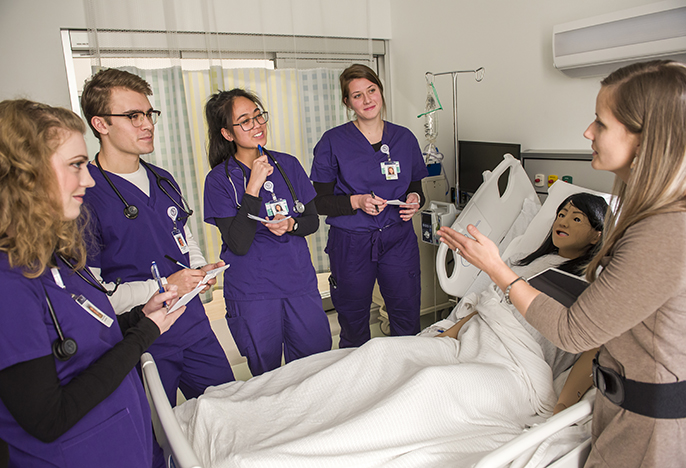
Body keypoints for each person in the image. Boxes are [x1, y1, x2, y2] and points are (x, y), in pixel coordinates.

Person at [172, 195, 607, 467]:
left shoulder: (594, 282)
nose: (563, 220)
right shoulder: (527, 264)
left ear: (597, 236)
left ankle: (271, 459)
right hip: (470, 341)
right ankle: (238, 418)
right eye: (562, 212)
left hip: (516, 368)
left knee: (429, 384)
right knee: (376, 354)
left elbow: (589, 347)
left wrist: (562, 408)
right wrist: (450, 331)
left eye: (577, 217)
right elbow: (490, 305)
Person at [438, 60, 686, 467]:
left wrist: (498, 268)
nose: (588, 132)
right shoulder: (649, 221)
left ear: (643, 141)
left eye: (601, 123)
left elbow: (574, 332)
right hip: (620, 405)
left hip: (648, 426)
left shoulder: (664, 231)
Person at [0, 99, 185, 467]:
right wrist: (143, 334)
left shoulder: (59, 255)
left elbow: (90, 335)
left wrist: (137, 318)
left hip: (125, 440)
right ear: (26, 175)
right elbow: (48, 419)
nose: (88, 179)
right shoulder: (9, 286)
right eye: (76, 166)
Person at [80, 68, 234, 405]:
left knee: (228, 415)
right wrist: (166, 287)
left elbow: (183, 234)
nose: (148, 124)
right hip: (140, 339)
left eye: (149, 114)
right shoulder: (85, 194)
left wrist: (196, 271)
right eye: (134, 116)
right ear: (100, 124)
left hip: (193, 326)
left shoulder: (162, 179)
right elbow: (93, 299)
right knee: (156, 442)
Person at [203, 89, 331, 376]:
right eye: (245, 121)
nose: (257, 125)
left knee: (315, 368)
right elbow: (237, 243)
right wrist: (254, 187)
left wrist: (291, 225)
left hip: (298, 282)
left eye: (258, 115)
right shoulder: (218, 181)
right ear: (227, 133)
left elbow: (312, 220)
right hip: (254, 292)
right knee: (267, 374)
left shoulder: (288, 165)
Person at [310, 64, 429, 347]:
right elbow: (319, 201)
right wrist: (357, 202)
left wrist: (415, 201)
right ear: (347, 102)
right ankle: (358, 384)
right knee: (353, 321)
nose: (367, 100)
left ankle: (408, 379)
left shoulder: (404, 138)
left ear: (380, 91)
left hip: (397, 238)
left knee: (406, 315)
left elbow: (416, 188)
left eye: (371, 90)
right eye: (357, 95)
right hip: (351, 243)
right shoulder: (333, 141)